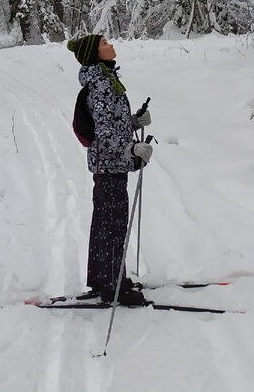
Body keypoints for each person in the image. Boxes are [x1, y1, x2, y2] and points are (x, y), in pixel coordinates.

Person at [66, 33, 153, 305]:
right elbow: (105, 134)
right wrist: (131, 149)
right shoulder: (102, 84)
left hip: (111, 163)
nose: (111, 45)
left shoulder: (106, 79)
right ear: (95, 54)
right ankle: (113, 286)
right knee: (112, 224)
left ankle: (108, 279)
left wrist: (134, 121)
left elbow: (112, 122)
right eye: (104, 44)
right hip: (109, 163)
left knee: (108, 223)